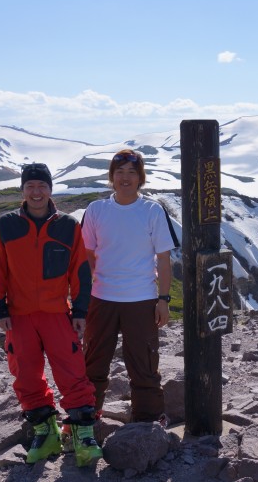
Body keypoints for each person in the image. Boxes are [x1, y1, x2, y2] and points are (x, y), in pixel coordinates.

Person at [0, 163, 102, 467]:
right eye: (30, 186)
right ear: (23, 190)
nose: (36, 192)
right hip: (19, 315)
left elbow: (80, 270)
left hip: (56, 313)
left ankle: (82, 433)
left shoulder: (67, 226)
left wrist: (79, 310)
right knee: (25, 374)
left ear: (50, 190)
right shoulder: (6, 225)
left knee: (72, 371)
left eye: (42, 186)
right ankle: (45, 431)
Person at [81, 149, 179, 425]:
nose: (125, 178)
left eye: (131, 173)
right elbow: (86, 255)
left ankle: (147, 421)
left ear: (140, 178)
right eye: (120, 172)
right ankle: (86, 416)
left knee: (144, 363)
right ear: (112, 177)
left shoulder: (151, 210)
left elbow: (163, 258)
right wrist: (82, 296)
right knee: (94, 361)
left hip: (142, 298)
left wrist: (163, 299)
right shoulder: (97, 210)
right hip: (102, 297)